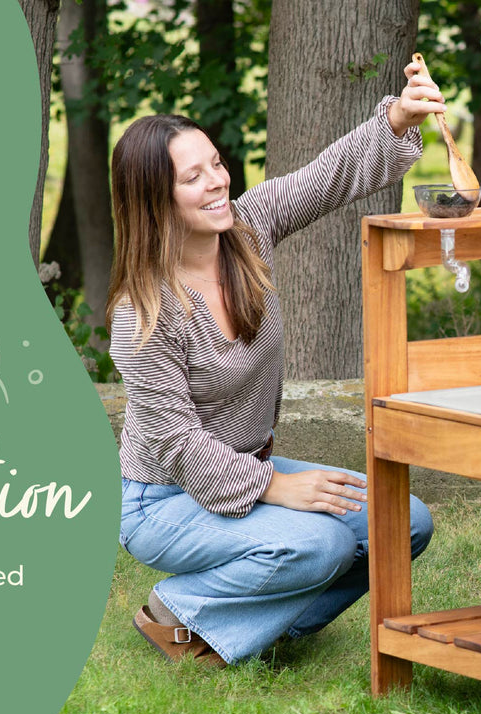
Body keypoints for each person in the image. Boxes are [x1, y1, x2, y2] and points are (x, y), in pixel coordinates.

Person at [109, 64, 442, 667]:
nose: (217, 182)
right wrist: (277, 488)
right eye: (194, 177)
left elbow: (326, 178)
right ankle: (175, 611)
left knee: (404, 521)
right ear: (155, 199)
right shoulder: (144, 313)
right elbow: (179, 443)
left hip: (247, 467)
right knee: (320, 543)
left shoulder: (247, 230)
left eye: (216, 163)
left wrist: (398, 118)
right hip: (164, 498)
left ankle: (272, 627)